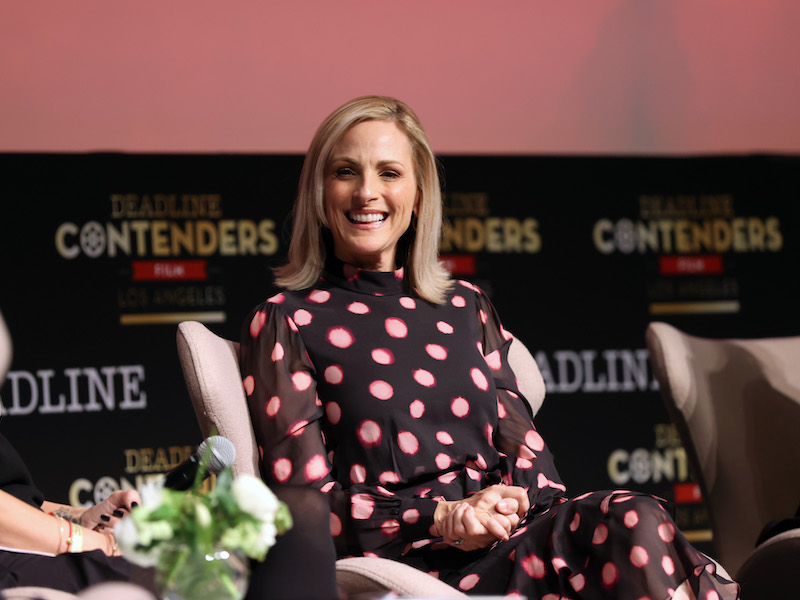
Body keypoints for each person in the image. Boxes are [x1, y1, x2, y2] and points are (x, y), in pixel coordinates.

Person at [238, 95, 740, 599]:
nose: (367, 192)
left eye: (389, 173)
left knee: (635, 515)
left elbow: (535, 468)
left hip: (509, 542)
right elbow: (300, 511)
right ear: (320, 193)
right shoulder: (287, 320)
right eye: (346, 171)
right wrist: (440, 517)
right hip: (416, 564)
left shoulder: (465, 305)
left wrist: (504, 505)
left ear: (417, 197)